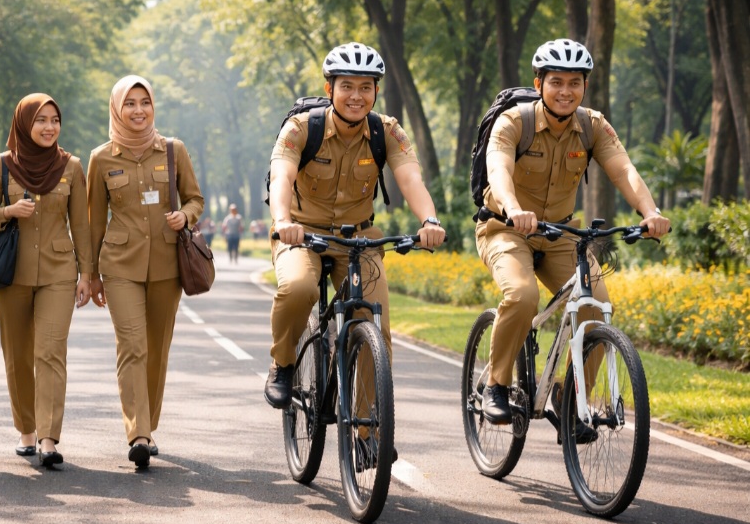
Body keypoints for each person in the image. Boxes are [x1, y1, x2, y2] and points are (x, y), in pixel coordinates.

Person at [477, 38, 670, 425]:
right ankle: (496, 386)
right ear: (539, 84)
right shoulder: (514, 122)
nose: (566, 91)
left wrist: (650, 211)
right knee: (522, 294)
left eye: (575, 83)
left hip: (562, 234)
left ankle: (569, 399)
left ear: (584, 86)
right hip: (506, 228)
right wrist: (514, 209)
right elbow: (498, 170)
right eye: (557, 82)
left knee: (596, 307)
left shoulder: (592, 126)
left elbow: (622, 169)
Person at [265, 42, 446, 411]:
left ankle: (367, 434)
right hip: (302, 234)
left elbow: (411, 179)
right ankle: (283, 363)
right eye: (347, 86)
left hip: (360, 239)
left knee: (374, 324)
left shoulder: (387, 132)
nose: (356, 96)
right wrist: (283, 221)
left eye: (366, 87)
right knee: (299, 288)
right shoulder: (301, 128)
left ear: (376, 91)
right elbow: (281, 176)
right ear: (329, 88)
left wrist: (429, 220)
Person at [87, 75, 204, 468]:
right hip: (119, 265)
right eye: (130, 104)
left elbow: (195, 198)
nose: (138, 110)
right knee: (132, 345)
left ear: (154, 106)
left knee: (157, 349)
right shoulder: (101, 158)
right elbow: (93, 222)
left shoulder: (173, 150)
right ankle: (138, 433)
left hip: (168, 265)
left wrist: (184, 216)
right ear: (117, 109)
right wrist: (90, 274)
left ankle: (148, 425)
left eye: (145, 102)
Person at [0, 93, 92, 468]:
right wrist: (9, 211)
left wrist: (87, 274)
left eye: (55, 120)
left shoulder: (72, 167)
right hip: (11, 273)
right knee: (17, 355)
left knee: (50, 352)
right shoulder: (1, 166)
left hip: (59, 273)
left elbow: (81, 224)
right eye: (40, 120)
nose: (49, 127)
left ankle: (48, 438)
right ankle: (26, 431)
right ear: (24, 124)